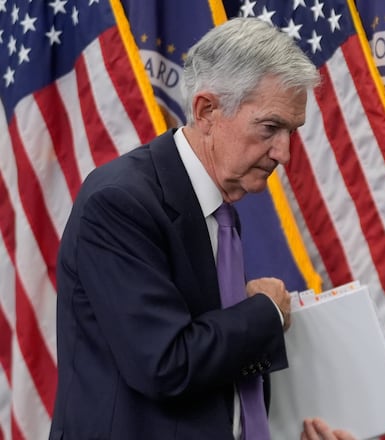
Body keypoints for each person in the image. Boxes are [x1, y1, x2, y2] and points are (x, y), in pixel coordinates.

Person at [50, 18, 353, 440]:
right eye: (270, 128)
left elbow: (214, 383)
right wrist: (265, 312)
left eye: (291, 132)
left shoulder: (218, 210)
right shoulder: (121, 202)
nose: (284, 153)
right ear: (207, 111)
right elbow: (165, 364)